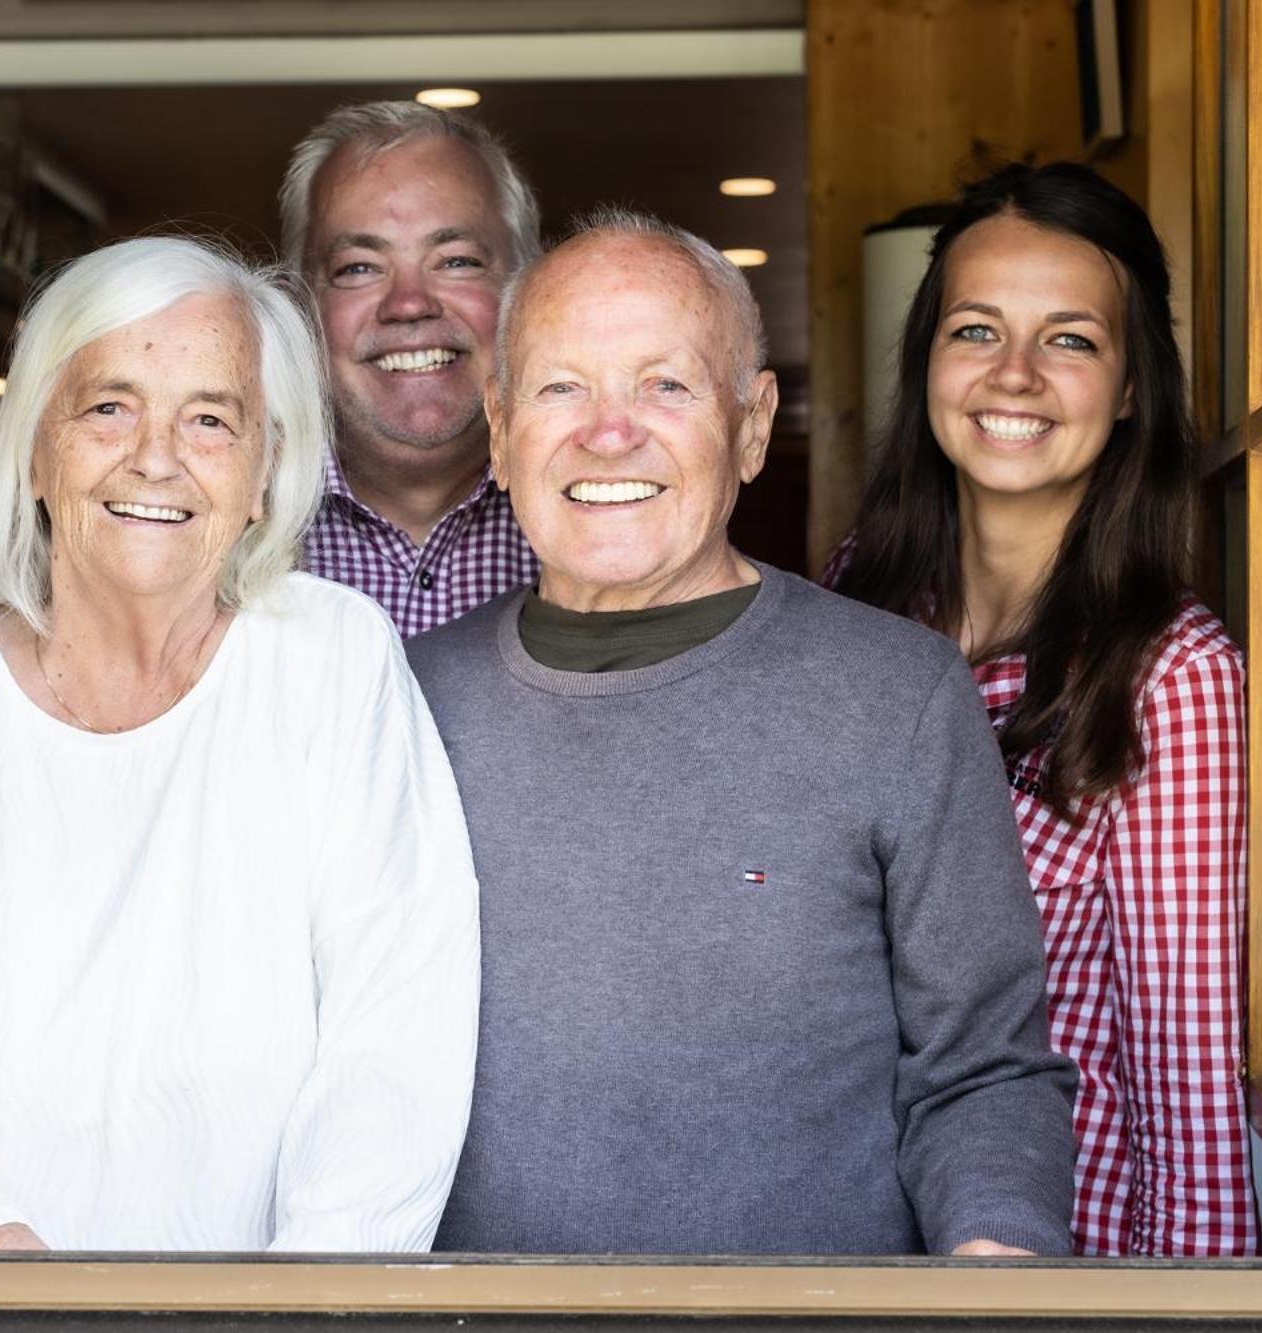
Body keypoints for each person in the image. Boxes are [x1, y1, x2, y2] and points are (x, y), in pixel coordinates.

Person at [0, 236, 481, 1252]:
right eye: (108, 407)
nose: (156, 455)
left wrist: (295, 1316)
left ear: (263, 472)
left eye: (210, 418)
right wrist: (14, 1285)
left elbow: (395, 1042)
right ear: (34, 447)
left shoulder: (332, 663)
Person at [411, 210, 1076, 1257]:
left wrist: (992, 1265)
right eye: (558, 387)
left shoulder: (895, 696)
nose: (608, 430)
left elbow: (982, 1069)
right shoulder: (403, 706)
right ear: (497, 430)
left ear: (752, 425)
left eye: (664, 385)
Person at [828, 162, 1256, 1256]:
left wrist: (1192, 1317)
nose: (1011, 375)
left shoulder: (1170, 674)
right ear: (926, 360)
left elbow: (1186, 1070)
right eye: (974, 331)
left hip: (1058, 1257)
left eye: (1068, 339)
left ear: (1126, 389)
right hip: (837, 1242)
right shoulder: (852, 606)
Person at [280, 100, 541, 635]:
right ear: (298, 300)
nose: (408, 303)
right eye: (358, 268)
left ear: (531, 287)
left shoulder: (605, 508)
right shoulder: (223, 523)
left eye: (457, 261)